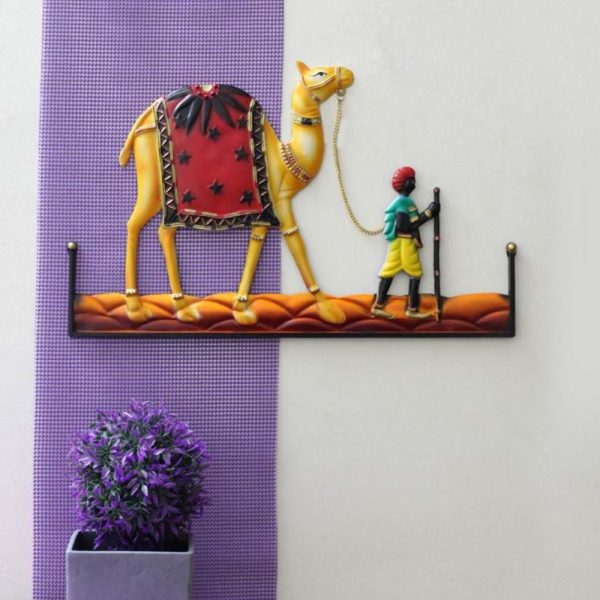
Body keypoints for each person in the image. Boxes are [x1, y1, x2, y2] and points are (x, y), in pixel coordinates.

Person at [371, 166, 440, 319]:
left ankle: (386, 306)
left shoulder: (406, 201)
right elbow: (405, 226)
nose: (414, 183)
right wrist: (428, 213)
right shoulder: (402, 202)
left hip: (405, 243)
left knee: (393, 273)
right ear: (403, 183)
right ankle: (409, 309)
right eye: (411, 180)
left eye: (414, 180)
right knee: (412, 273)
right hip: (402, 243)